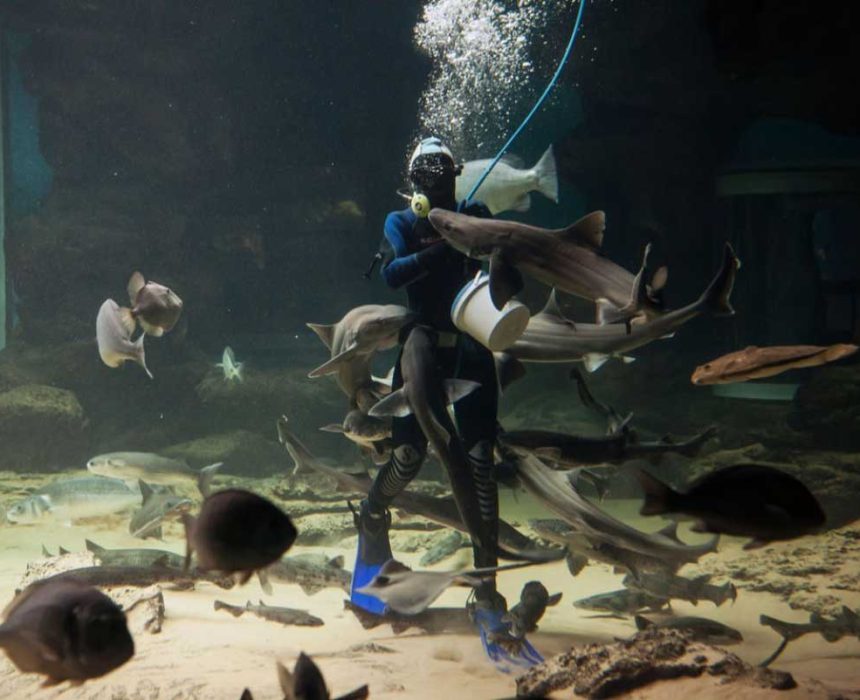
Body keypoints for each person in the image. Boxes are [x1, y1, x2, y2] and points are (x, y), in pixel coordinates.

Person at [351, 137, 540, 669]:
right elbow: (392, 274)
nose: (433, 181)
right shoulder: (400, 222)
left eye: (441, 170)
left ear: (457, 174)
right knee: (407, 456)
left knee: (480, 460)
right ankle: (371, 517)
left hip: (475, 346)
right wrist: (444, 243)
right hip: (423, 347)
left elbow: (513, 277)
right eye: (423, 172)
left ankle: (485, 587)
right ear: (412, 180)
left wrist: (491, 250)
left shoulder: (476, 215)